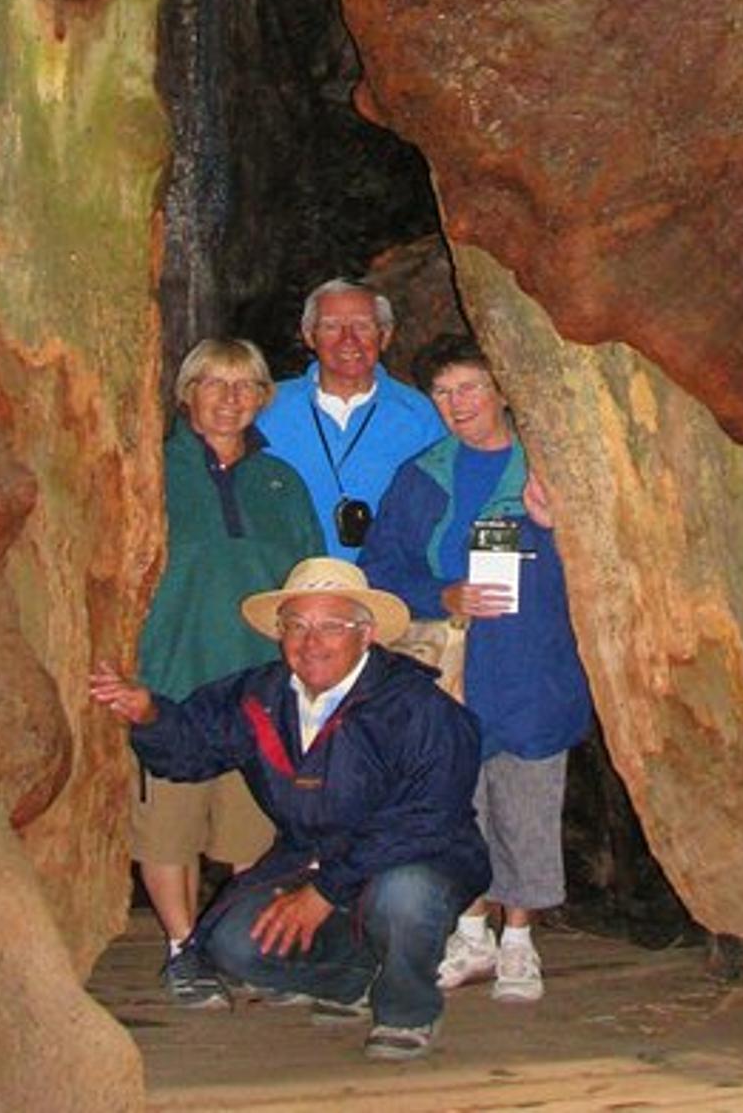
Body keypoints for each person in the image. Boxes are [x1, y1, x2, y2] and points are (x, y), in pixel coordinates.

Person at [90, 557, 490, 1061]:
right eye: (296, 626)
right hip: (313, 860)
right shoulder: (260, 696)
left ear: (366, 635)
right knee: (234, 941)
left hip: (417, 861)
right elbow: (191, 748)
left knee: (405, 897)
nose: (310, 642)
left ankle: (408, 1009)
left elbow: (425, 821)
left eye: (330, 626)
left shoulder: (418, 708)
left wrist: (324, 890)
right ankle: (356, 982)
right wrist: (147, 713)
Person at [358, 334, 593, 1004]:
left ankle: (520, 940)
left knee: (527, 801)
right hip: (452, 668)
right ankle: (471, 932)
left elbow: (610, 561)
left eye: (469, 386)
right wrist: (442, 593)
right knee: (458, 805)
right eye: (443, 391)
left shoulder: (548, 467)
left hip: (531, 659)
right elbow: (380, 568)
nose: (457, 403)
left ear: (502, 389)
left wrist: (557, 523)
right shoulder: (423, 473)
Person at [135, 338, 324, 1009]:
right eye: (213, 383)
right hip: (174, 677)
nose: (229, 398)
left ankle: (245, 949)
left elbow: (309, 578)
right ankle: (185, 948)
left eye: (245, 385)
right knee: (169, 827)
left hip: (260, 686)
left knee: (255, 832)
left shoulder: (281, 483)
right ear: (187, 392)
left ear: (263, 397)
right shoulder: (151, 471)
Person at [254, 278, 445, 562]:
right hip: (287, 582)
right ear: (309, 336)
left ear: (385, 335)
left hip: (388, 587)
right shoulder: (264, 407)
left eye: (362, 326)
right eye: (331, 326)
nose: (348, 339)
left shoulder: (423, 417)